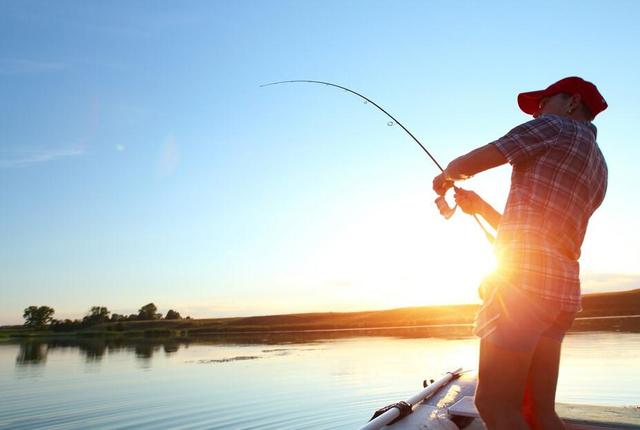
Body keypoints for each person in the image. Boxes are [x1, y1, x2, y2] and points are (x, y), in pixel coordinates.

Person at [432, 76, 608, 430]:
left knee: (494, 404)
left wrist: (448, 175)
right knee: (540, 411)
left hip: (523, 289)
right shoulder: (599, 165)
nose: (537, 113)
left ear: (572, 103)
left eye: (543, 104)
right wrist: (480, 208)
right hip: (560, 293)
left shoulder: (553, 127)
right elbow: (538, 234)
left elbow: (474, 161)